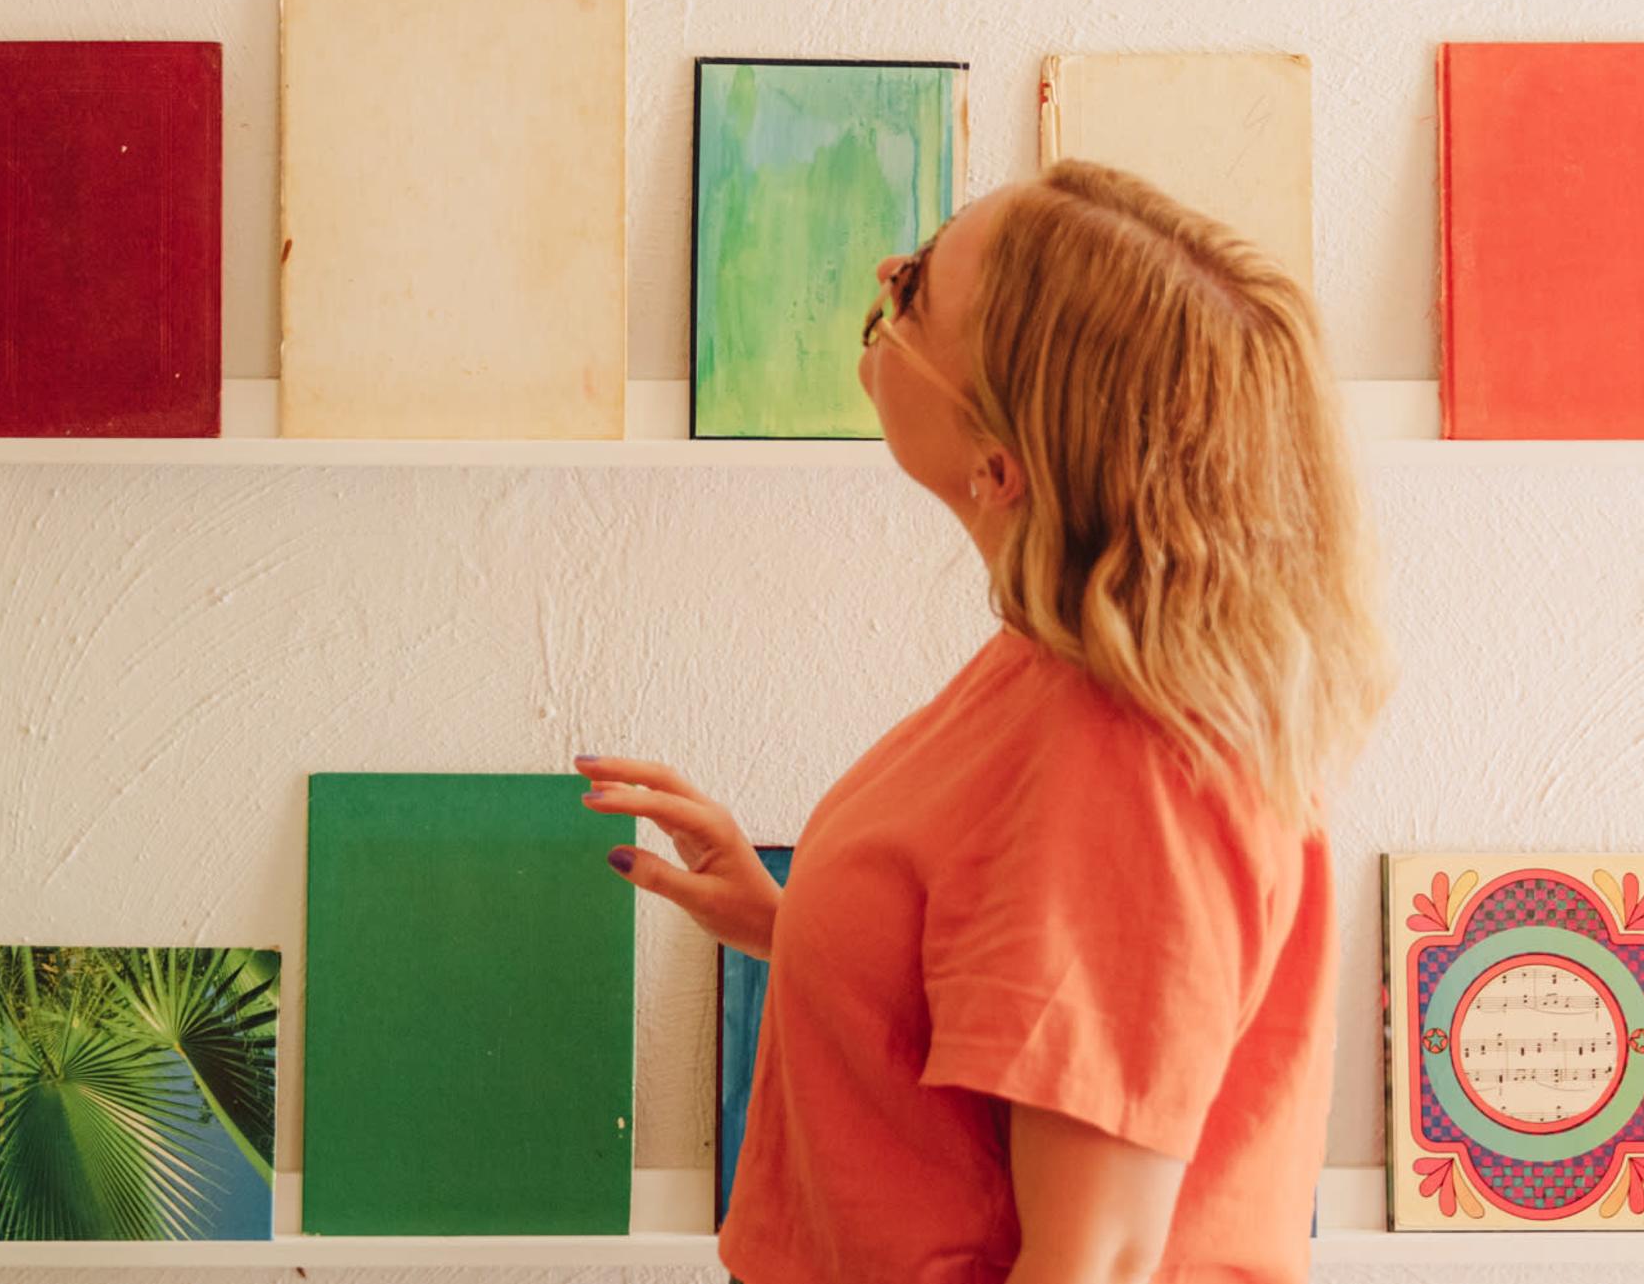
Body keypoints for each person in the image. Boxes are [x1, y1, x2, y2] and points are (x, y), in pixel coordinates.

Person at [583, 168, 1389, 1284]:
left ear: (1002, 464)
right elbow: (1016, 998)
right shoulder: (1055, 663)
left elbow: (1095, 1262)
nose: (881, 276)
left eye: (913, 289)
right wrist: (797, 925)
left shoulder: (1129, 753)